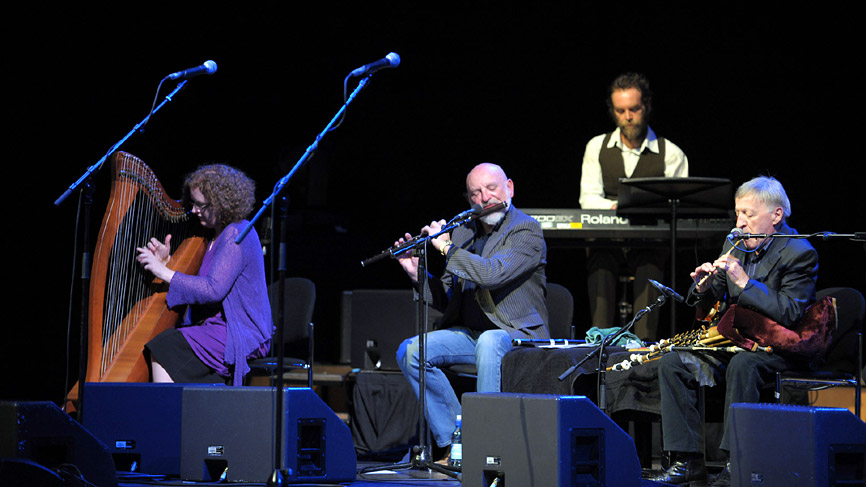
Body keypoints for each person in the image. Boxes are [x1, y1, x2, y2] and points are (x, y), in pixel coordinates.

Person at [650, 176, 818, 486]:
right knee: (674, 363)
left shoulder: (799, 252)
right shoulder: (735, 243)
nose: (740, 222)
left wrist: (744, 283)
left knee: (744, 365)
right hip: (736, 342)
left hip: (776, 350)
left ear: (776, 215)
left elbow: (791, 313)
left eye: (749, 214)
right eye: (738, 213)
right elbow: (712, 293)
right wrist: (701, 287)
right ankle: (687, 462)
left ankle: (736, 462)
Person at [395, 162, 549, 458]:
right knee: (411, 351)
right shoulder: (464, 233)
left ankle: (487, 446)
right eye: (475, 193)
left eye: (491, 188)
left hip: (517, 334)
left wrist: (444, 248)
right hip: (471, 334)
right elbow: (448, 299)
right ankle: (462, 443)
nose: (485, 198)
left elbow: (492, 274)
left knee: (491, 341)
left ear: (510, 188)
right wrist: (417, 275)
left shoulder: (526, 230)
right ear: (468, 200)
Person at [137, 164, 273, 386]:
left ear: (222, 203)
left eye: (201, 205)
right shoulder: (212, 237)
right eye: (192, 203)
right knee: (167, 344)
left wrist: (164, 271)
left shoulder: (237, 233)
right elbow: (203, 283)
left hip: (240, 332)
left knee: (165, 346)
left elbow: (213, 289)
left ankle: (167, 415)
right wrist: (168, 264)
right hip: (215, 327)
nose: (193, 210)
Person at [579, 72, 688, 340]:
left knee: (651, 267)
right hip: (608, 238)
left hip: (648, 241)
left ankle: (644, 350)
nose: (627, 116)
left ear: (647, 106)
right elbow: (588, 199)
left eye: (634, 109)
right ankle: (600, 346)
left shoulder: (670, 152)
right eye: (621, 110)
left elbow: (678, 205)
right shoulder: (597, 146)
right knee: (600, 261)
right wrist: (617, 206)